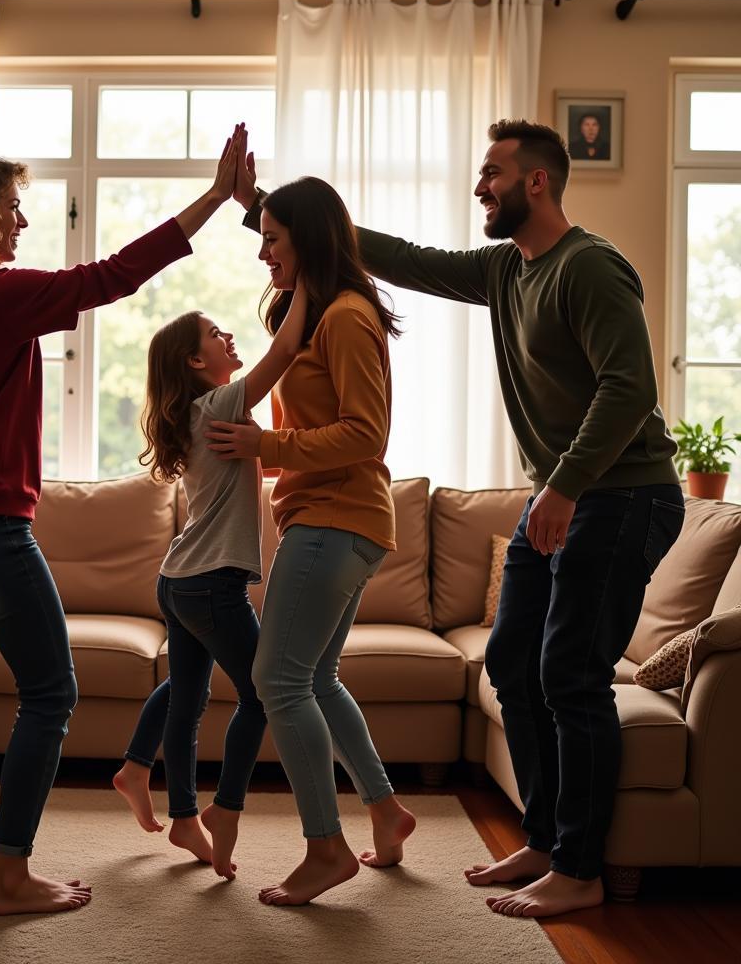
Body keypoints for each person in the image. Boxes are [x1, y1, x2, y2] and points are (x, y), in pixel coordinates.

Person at [234, 120, 683, 917]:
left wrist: (564, 486)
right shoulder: (506, 270)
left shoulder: (590, 267)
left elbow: (629, 389)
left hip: (621, 495)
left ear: (536, 182)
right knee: (513, 664)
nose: (481, 186)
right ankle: (545, 841)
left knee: (573, 678)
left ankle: (580, 869)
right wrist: (265, 204)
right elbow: (403, 257)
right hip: (567, 495)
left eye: (493, 174)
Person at [0, 129, 244, 916]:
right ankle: (10, 873)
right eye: (10, 210)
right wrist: (216, 200)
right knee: (53, 693)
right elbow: (114, 276)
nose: (20, 223)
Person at [207, 175, 417, 907]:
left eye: (272, 238)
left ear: (310, 239)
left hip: (336, 516)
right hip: (335, 519)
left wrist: (270, 445)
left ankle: (325, 848)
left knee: (278, 681)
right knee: (316, 681)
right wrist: (248, 206)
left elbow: (367, 433)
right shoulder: (321, 308)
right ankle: (387, 812)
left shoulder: (348, 318)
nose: (262, 252)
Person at [113, 244, 308, 881]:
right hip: (207, 583)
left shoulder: (213, 413)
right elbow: (280, 354)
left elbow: (263, 462)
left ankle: (144, 776)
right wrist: (305, 278)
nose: (229, 334)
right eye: (215, 334)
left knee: (188, 693)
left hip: (181, 580)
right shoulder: (217, 404)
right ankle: (221, 810)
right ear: (197, 363)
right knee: (261, 695)